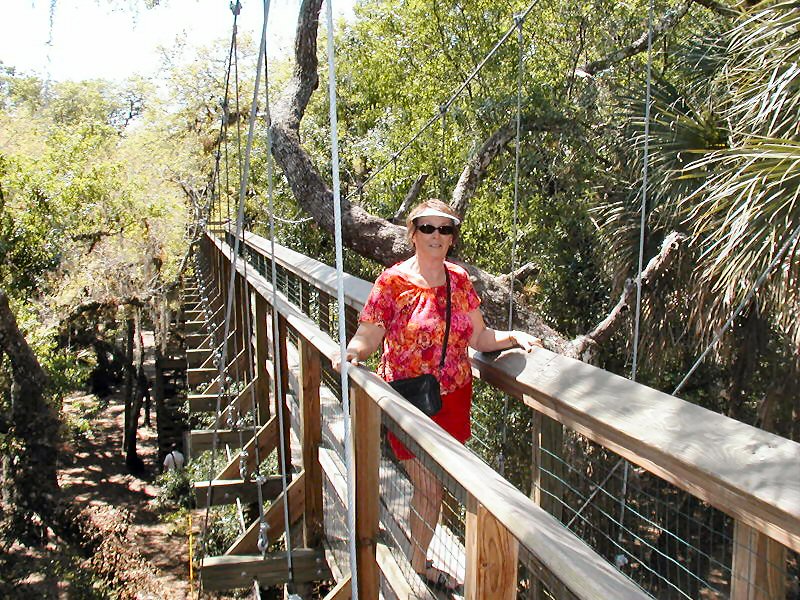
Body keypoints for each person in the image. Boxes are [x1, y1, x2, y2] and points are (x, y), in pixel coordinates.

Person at [332, 199, 542, 590]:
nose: (436, 236)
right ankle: (419, 565)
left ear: (452, 237)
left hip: (454, 399)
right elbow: (369, 334)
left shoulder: (459, 279)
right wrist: (352, 352)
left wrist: (513, 336)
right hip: (408, 403)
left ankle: (420, 557)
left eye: (444, 229)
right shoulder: (392, 282)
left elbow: (479, 337)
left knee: (437, 487)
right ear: (412, 233)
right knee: (428, 487)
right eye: (427, 228)